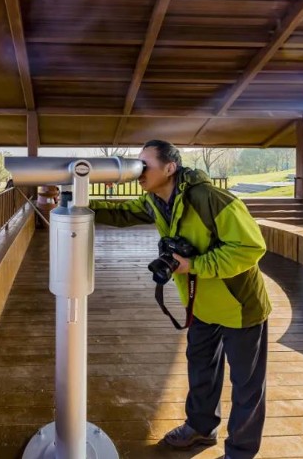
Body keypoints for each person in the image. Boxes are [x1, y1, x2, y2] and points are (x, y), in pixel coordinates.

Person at [89, 140, 270, 459]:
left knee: (246, 385)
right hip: (200, 304)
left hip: (240, 306)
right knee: (201, 368)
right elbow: (121, 213)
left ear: (169, 168)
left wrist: (195, 265)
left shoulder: (211, 198)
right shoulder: (156, 201)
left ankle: (240, 452)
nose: (139, 171)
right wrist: (74, 203)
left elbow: (250, 247)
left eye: (145, 165)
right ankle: (200, 428)